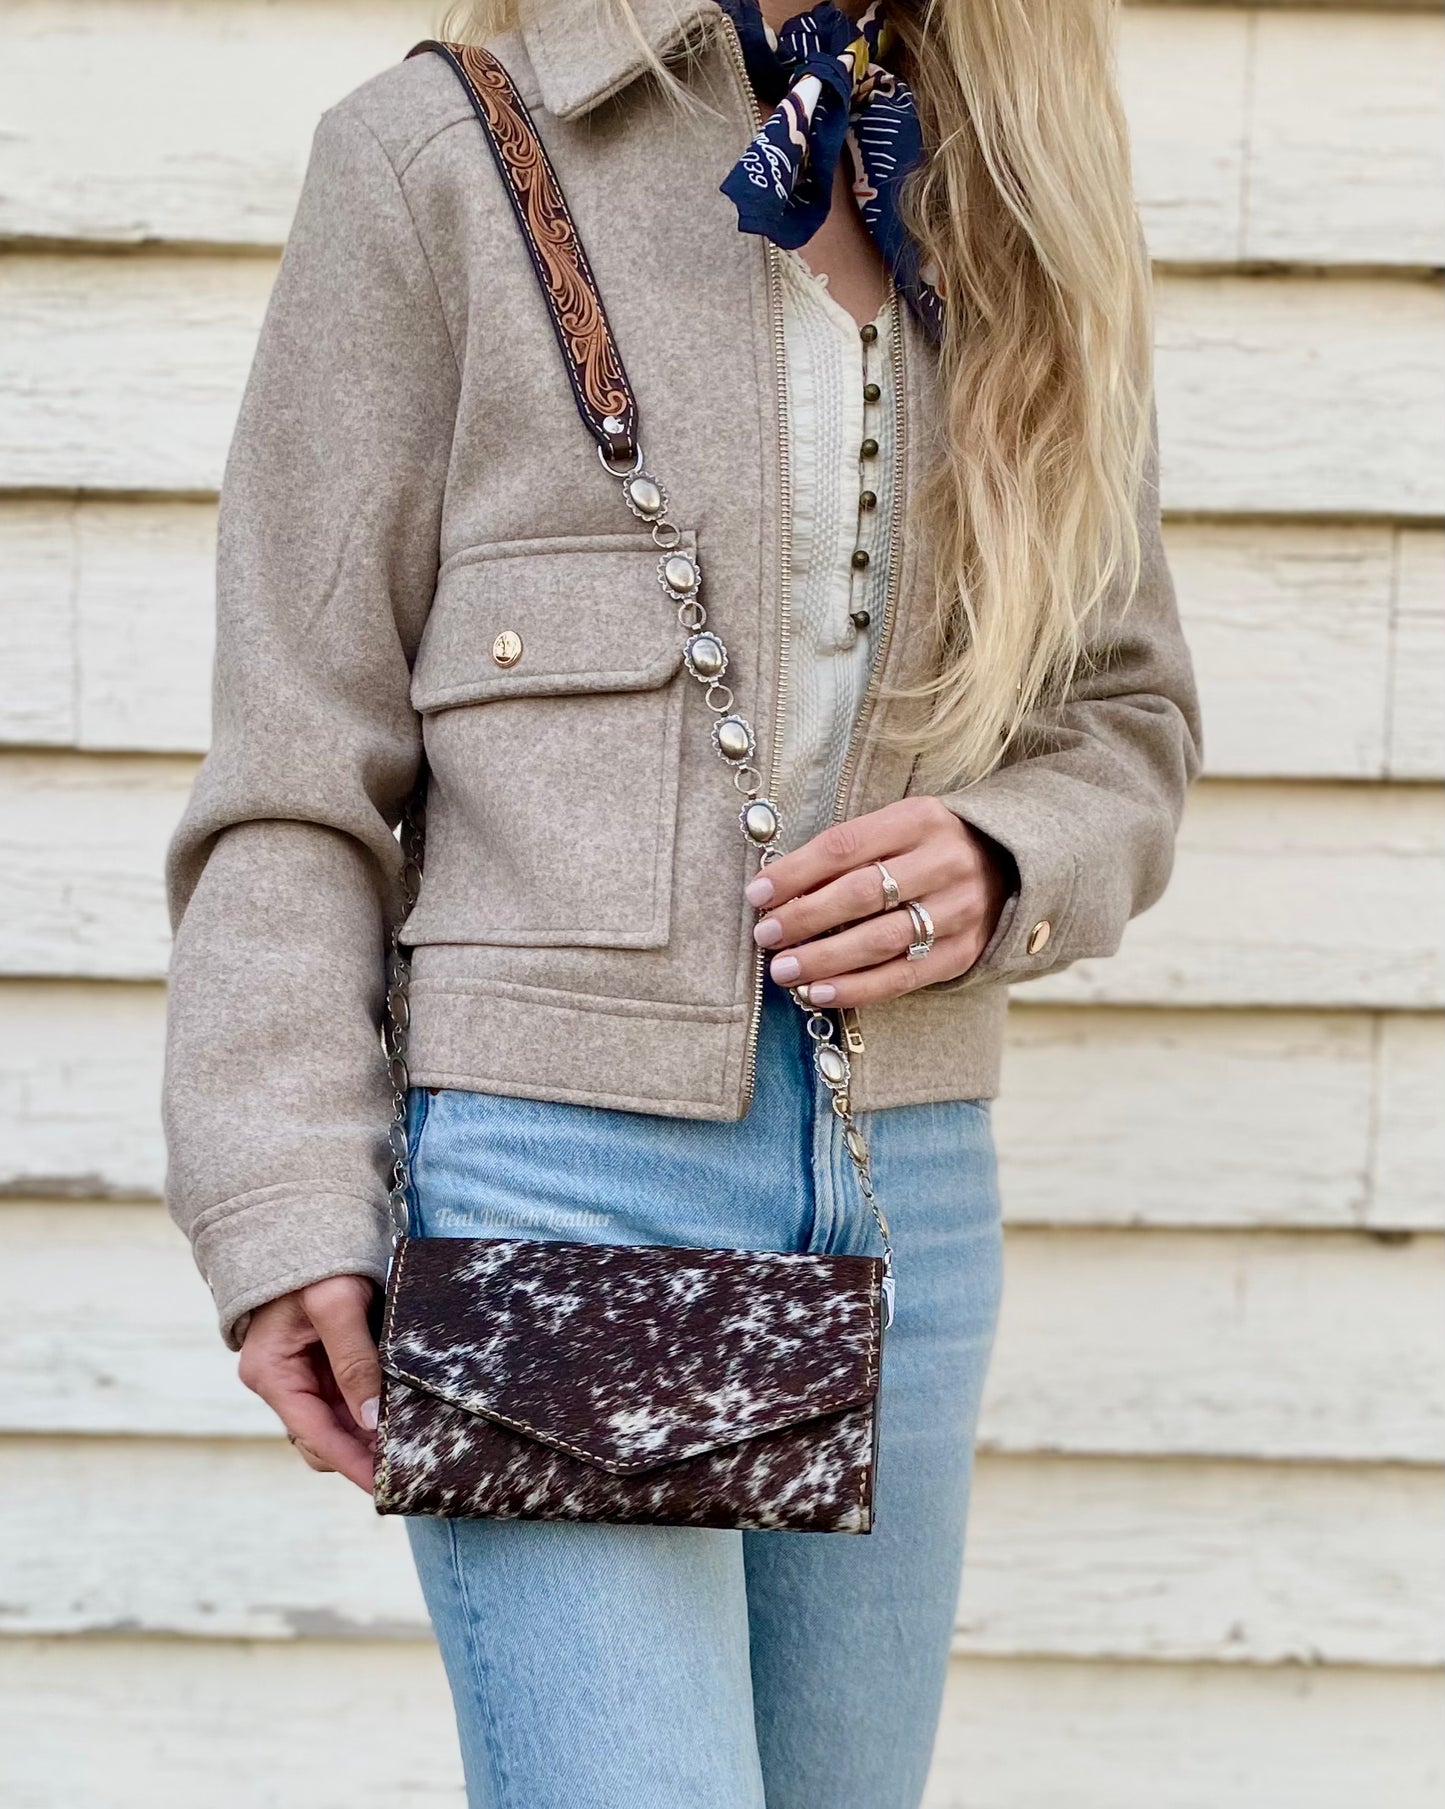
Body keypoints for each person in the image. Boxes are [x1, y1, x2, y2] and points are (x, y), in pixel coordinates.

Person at [162, 0, 1201, 1802]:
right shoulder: (433, 164)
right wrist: (279, 1197)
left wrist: (1002, 856)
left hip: (904, 1188)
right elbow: (291, 771)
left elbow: (1126, 716)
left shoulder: (1012, 195)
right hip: (564, 1179)